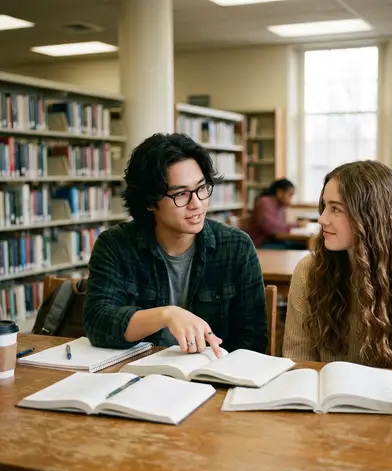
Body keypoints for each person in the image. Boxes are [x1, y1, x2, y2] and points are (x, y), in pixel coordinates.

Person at [84, 133, 268, 355]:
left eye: (201, 188)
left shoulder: (236, 246)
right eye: (181, 194)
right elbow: (98, 323)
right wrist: (166, 315)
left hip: (213, 377)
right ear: (150, 202)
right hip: (139, 375)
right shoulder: (115, 245)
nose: (197, 203)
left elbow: (253, 341)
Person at [283, 160, 392, 372]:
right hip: (319, 403)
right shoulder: (309, 270)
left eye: (336, 209)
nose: (322, 219)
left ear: (371, 217)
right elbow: (298, 360)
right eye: (324, 206)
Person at [245, 178, 304, 249]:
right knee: (299, 247)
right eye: (290, 195)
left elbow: (281, 226)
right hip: (260, 244)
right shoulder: (264, 203)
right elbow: (272, 228)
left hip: (272, 241)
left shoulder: (280, 206)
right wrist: (297, 225)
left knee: (302, 245)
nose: (291, 199)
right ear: (280, 193)